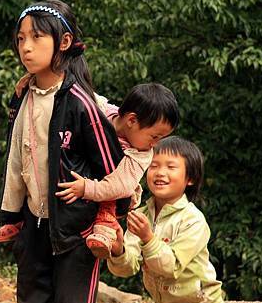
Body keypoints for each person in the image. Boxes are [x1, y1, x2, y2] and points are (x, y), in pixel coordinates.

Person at [0, 0, 131, 303]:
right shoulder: (22, 96)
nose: (26, 47)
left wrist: (107, 218)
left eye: (37, 38)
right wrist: (11, 217)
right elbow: (16, 161)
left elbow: (113, 170)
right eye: (20, 39)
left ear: (64, 42)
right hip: (34, 227)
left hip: (76, 234)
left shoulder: (80, 103)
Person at [108, 136, 226, 303]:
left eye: (171, 167)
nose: (160, 172)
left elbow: (170, 267)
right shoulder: (141, 215)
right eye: (154, 165)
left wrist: (148, 238)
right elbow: (128, 267)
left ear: (189, 178)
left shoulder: (193, 221)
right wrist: (118, 250)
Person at [56, 83, 179, 259]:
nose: (156, 144)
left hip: (112, 192)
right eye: (155, 136)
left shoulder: (142, 153)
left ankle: (105, 232)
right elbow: (85, 95)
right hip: (85, 173)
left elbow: (120, 186)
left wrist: (87, 189)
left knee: (110, 203)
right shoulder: (101, 113)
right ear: (131, 120)